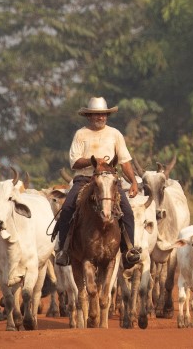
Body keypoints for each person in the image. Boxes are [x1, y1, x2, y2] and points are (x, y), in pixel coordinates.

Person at [54, 97, 142, 268]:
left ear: (107, 116)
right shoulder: (81, 134)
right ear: (89, 116)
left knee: (127, 211)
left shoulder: (115, 134)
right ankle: (63, 249)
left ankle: (128, 250)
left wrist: (133, 182)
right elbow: (74, 162)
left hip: (109, 180)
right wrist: (93, 161)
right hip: (85, 179)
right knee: (67, 208)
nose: (100, 118)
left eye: (103, 115)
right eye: (96, 115)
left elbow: (124, 161)